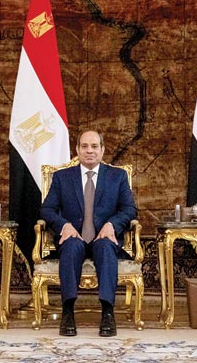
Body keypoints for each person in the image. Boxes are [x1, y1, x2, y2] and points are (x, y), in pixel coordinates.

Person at [41, 131, 137, 337]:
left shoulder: (117, 176)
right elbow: (47, 209)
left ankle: (108, 313)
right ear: (77, 150)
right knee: (71, 246)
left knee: (105, 247)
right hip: (74, 236)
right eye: (84, 146)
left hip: (103, 236)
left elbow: (129, 209)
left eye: (94, 146)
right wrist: (64, 225)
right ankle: (68, 312)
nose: (89, 151)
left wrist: (112, 224)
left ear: (102, 150)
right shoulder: (62, 177)